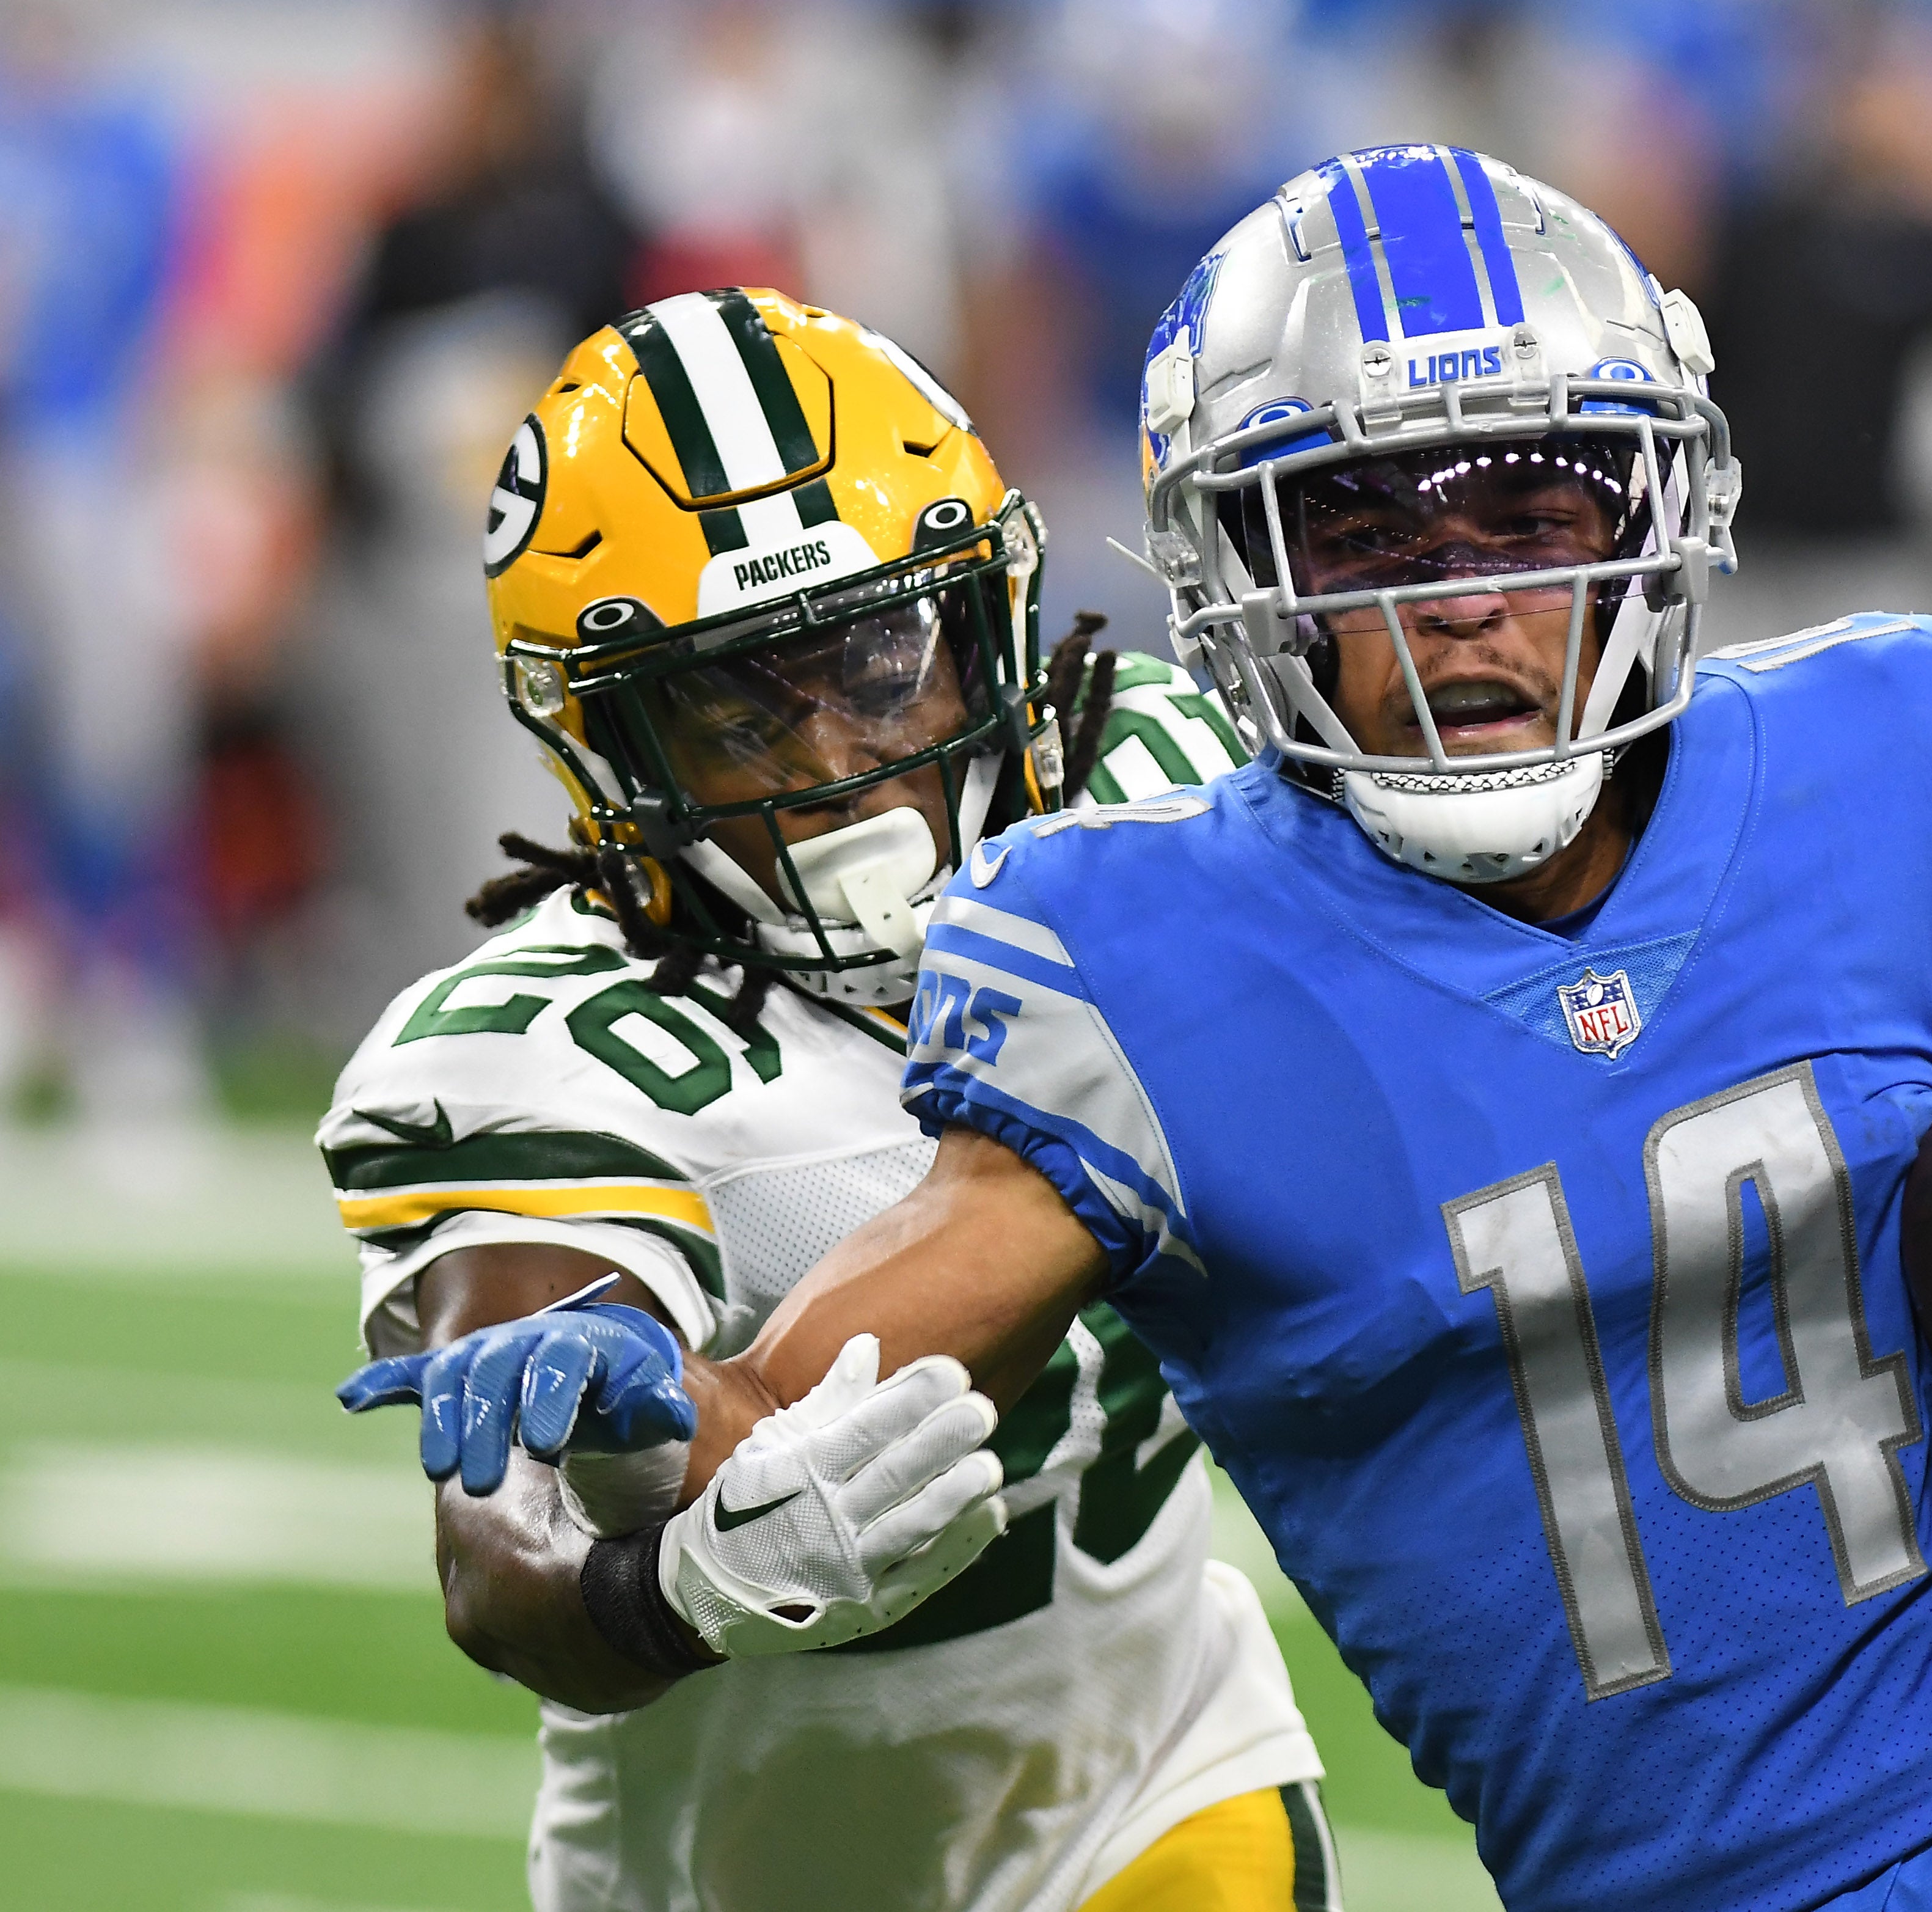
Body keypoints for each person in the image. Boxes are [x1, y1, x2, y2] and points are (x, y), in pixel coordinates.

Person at [357, 158, 1932, 1911]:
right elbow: (755, 1413)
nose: (1471, 607)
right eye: (1363, 539)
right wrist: (641, 1445)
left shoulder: (1887, 750)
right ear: (1242, 589)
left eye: (1537, 510)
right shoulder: (1122, 950)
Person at [329, 288, 1330, 1912]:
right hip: (739, 1870)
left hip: (1155, 1780)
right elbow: (501, 1571)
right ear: (610, 748)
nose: (832, 761)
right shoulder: (542, 1047)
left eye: (879, 658)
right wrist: (680, 1584)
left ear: (988, 621)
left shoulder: (1162, 796)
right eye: (735, 707)